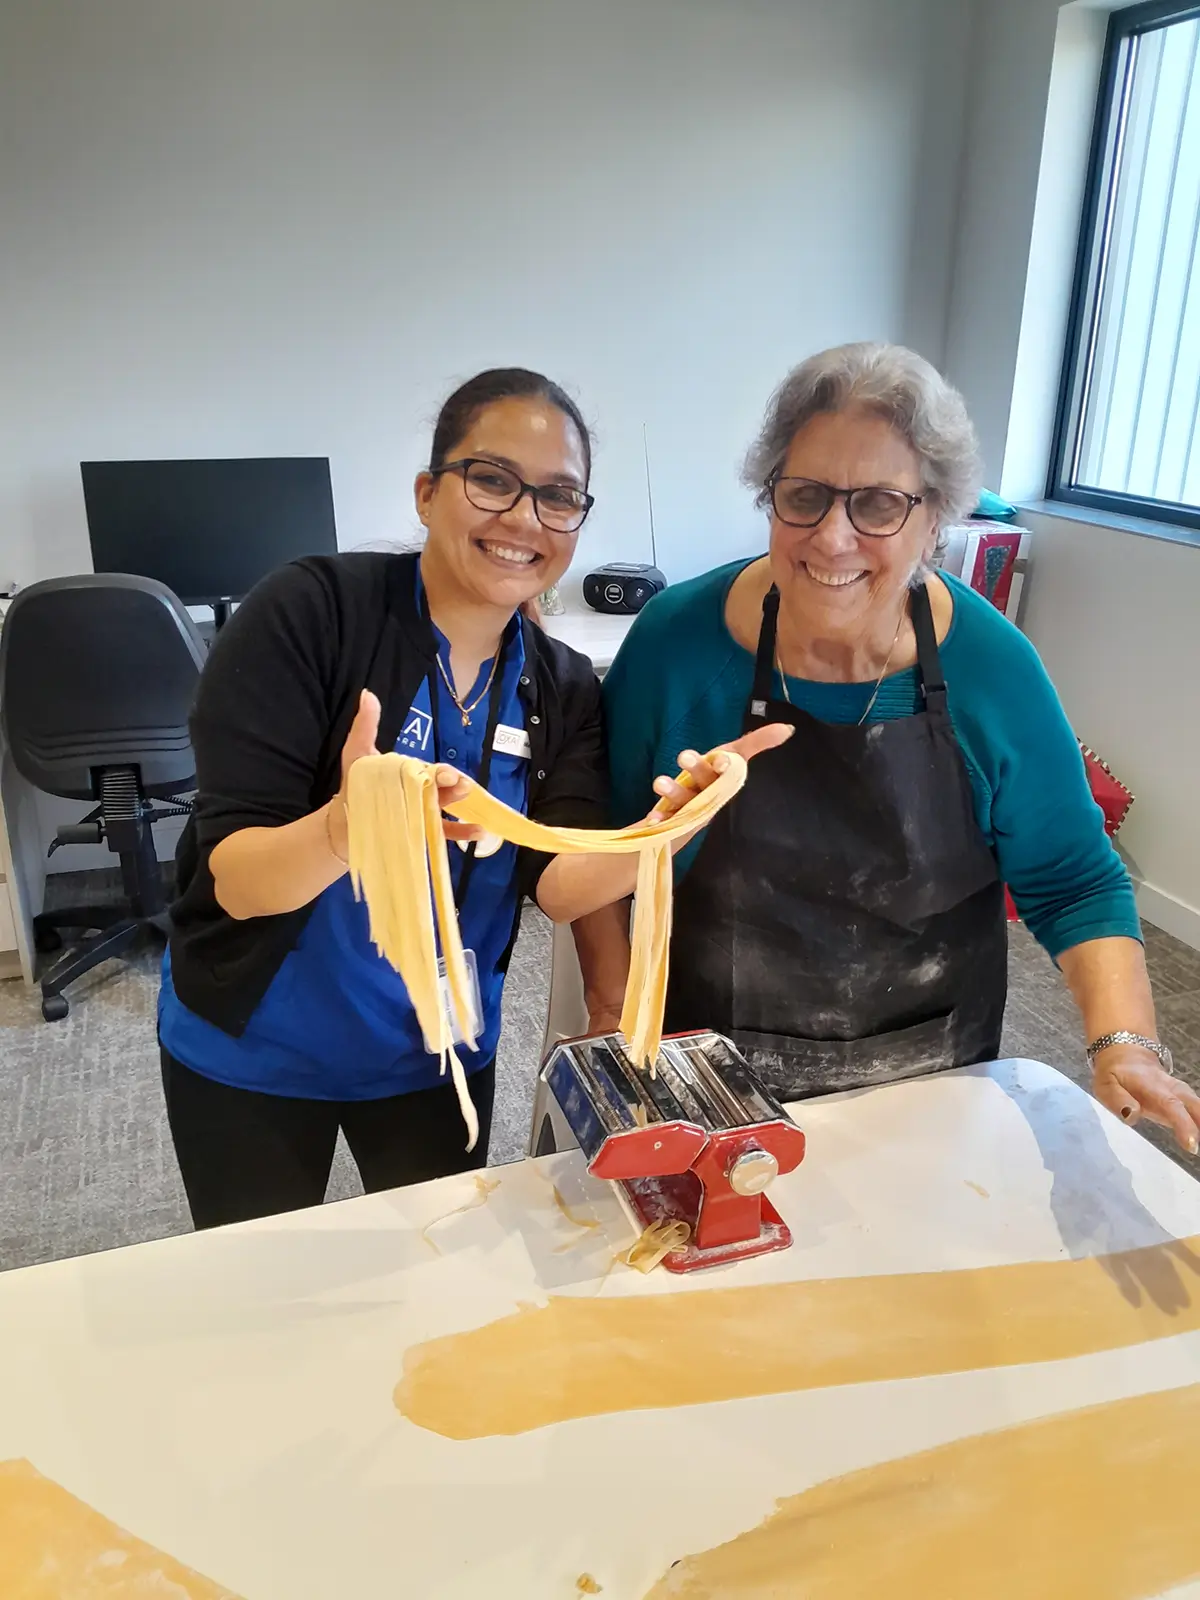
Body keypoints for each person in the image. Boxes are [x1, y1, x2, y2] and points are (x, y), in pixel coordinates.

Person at [161, 366, 784, 1228]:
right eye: (493, 480)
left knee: (430, 1284)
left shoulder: (561, 686)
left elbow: (559, 885)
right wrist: (347, 828)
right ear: (427, 492)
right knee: (258, 1295)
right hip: (256, 1050)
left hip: (436, 1053)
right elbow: (239, 880)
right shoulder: (311, 615)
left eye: (558, 496)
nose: (525, 518)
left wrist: (665, 830)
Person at [596, 342, 1200, 1153]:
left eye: (878, 504)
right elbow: (598, 852)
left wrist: (1123, 1043)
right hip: (710, 1076)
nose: (833, 538)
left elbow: (1074, 879)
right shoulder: (676, 644)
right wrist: (608, 1015)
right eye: (804, 496)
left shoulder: (992, 669)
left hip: (931, 1078)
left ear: (935, 520)